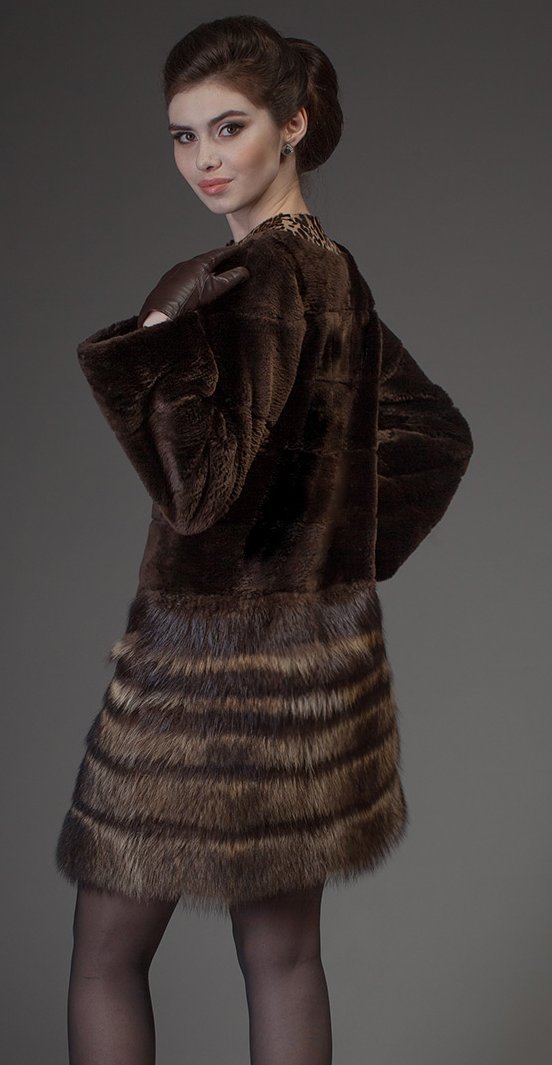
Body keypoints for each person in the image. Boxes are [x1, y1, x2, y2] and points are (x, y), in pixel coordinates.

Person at [54, 14, 474, 1065]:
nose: (204, 158)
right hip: (314, 679)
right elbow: (438, 436)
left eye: (228, 127)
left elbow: (196, 492)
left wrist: (153, 344)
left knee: (105, 960)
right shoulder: (336, 273)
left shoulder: (246, 283)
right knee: (284, 961)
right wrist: (324, 554)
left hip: (200, 683)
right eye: (183, 135)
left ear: (293, 123)